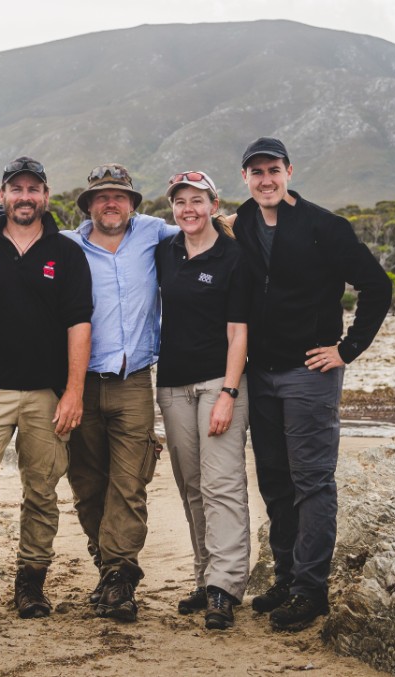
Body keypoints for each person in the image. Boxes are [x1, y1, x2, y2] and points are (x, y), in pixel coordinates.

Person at [233, 137, 393, 632]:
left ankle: (310, 590)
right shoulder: (241, 221)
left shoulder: (326, 227)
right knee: (275, 481)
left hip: (310, 375)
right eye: (256, 171)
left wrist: (345, 349)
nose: (266, 179)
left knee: (313, 484)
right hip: (259, 373)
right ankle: (285, 577)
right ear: (246, 178)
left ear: (289, 171)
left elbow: (377, 286)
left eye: (273, 169)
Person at [0, 156, 94, 627]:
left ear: (46, 196)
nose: (25, 197)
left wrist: (74, 392)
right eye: (16, 189)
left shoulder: (66, 252)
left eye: (34, 189)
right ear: (3, 195)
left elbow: (79, 325)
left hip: (47, 394)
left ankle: (31, 581)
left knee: (42, 491)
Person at [63, 164, 179, 622]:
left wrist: (231, 222)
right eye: (102, 196)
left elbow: (200, 223)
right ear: (88, 205)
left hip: (134, 382)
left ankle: (119, 576)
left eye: (120, 196)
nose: (111, 203)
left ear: (133, 203)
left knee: (129, 484)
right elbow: (10, 223)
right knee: (87, 485)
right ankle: (110, 569)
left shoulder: (154, 233)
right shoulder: (69, 245)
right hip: (79, 381)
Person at [153, 170, 250, 630]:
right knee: (191, 486)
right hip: (171, 385)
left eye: (197, 200)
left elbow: (238, 333)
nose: (188, 209)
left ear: (213, 203)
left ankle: (225, 588)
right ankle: (204, 577)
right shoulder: (165, 251)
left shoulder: (233, 256)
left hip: (218, 383)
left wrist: (229, 393)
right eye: (180, 202)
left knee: (222, 485)